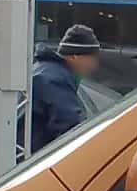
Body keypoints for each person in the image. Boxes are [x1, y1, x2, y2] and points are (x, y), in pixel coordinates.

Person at [26, 23, 100, 154]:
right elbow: (70, 128)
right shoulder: (55, 80)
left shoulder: (45, 70)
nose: (93, 65)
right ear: (74, 56)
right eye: (91, 58)